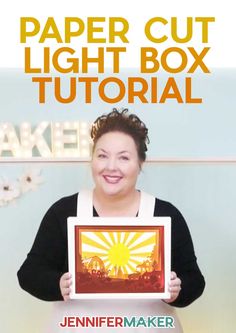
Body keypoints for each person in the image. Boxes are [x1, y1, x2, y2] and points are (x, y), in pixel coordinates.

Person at [17, 108, 205, 332]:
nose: (111, 167)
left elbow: (194, 279)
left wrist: (177, 290)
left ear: (140, 164)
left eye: (124, 157)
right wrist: (58, 284)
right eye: (102, 155)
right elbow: (30, 273)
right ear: (92, 160)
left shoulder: (165, 214)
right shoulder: (64, 211)